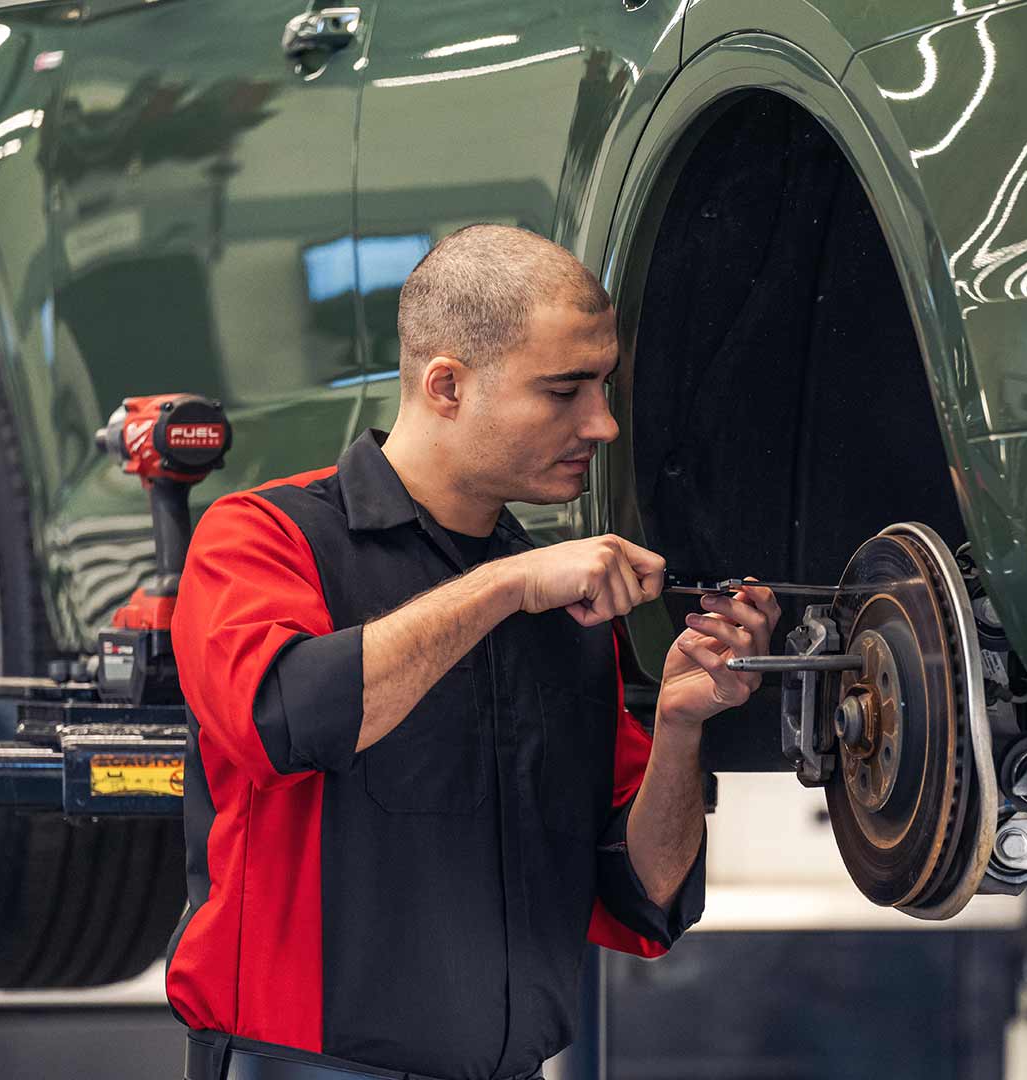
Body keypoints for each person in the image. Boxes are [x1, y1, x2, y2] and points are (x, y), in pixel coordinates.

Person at [167, 223, 781, 1080]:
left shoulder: (562, 602)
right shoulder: (265, 538)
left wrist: (680, 729)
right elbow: (283, 722)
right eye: (564, 391)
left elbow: (642, 900)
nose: (601, 423)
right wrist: (503, 587)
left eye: (604, 386)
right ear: (447, 386)